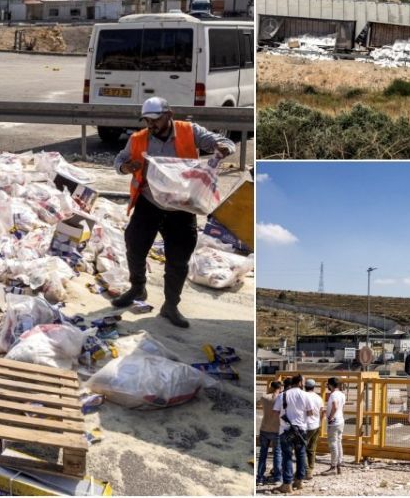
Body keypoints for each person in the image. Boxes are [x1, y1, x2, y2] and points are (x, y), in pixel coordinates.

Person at [112, 97, 235, 328]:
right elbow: (120, 159)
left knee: (178, 259)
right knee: (135, 246)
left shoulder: (189, 131)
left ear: (169, 114)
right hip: (149, 203)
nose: (151, 125)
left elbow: (221, 141)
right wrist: (125, 167)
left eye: (155, 120)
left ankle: (170, 306)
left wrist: (223, 147)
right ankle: (137, 288)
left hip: (181, 206)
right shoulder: (138, 139)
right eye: (147, 120)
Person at [273, 375, 318, 494]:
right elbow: (310, 412)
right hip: (301, 430)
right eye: (303, 382)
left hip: (285, 430)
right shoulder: (305, 395)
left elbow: (275, 412)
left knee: (287, 456)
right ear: (299, 383)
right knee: (301, 455)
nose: (304, 384)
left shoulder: (283, 395)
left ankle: (287, 484)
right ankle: (299, 481)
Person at [257, 380, 283, 486]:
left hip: (264, 428)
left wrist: (269, 392)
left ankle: (260, 478)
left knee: (263, 454)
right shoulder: (281, 399)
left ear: (271, 387)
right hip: (277, 430)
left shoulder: (264, 397)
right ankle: (277, 478)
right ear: (280, 388)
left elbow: (258, 403)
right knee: (277, 454)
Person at [302, 379, 324, 478]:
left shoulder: (303, 396)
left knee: (301, 448)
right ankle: (310, 469)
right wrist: (320, 422)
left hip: (305, 426)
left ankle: (305, 471)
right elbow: (322, 412)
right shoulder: (318, 398)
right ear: (314, 387)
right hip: (316, 425)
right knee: (311, 449)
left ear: (304, 386)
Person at [325, 377, 347, 475]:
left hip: (334, 422)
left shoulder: (333, 395)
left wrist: (330, 417)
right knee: (338, 442)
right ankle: (339, 464)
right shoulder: (342, 394)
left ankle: (333, 465)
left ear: (330, 385)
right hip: (340, 421)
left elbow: (335, 406)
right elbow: (341, 408)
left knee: (333, 443)